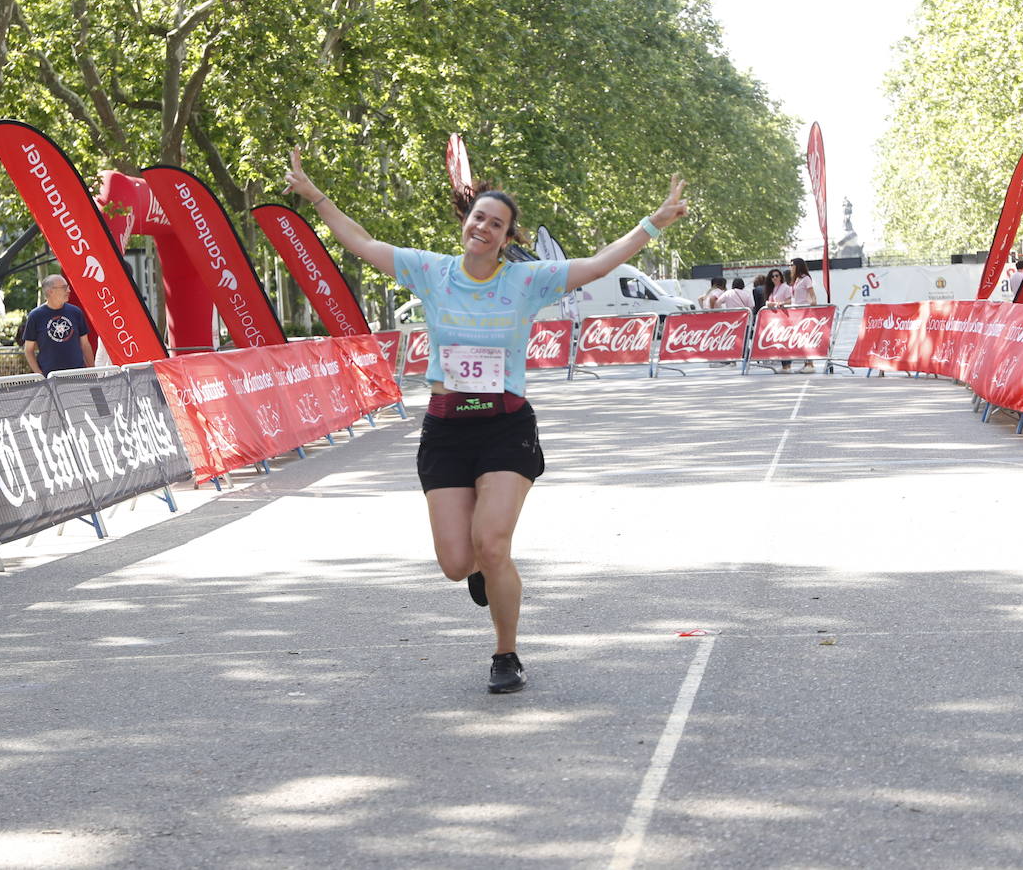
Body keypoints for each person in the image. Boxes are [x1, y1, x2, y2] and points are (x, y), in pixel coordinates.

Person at [283, 148, 689, 693]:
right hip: (447, 430)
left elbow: (596, 265)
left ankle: (506, 654)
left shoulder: (527, 282)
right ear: (466, 220)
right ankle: (477, 570)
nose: (485, 228)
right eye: (480, 217)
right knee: (457, 562)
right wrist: (315, 197)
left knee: (493, 543)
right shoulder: (431, 272)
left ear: (506, 237)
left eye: (497, 224)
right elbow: (361, 240)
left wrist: (652, 224)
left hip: (505, 427)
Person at [23, 274, 94, 375]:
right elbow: (28, 350)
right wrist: (40, 375)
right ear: (50, 291)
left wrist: (93, 371)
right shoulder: (35, 316)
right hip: (51, 378)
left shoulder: (76, 312)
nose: (69, 290)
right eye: (64, 287)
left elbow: (85, 344)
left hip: (78, 375)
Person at [789, 258, 819, 372]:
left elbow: (812, 295)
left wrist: (813, 302)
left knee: (806, 338)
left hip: (804, 312)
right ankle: (806, 363)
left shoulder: (806, 279)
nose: (790, 267)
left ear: (798, 266)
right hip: (796, 313)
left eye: (792, 265)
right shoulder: (796, 279)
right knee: (800, 338)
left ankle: (810, 364)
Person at [763, 268, 793, 372]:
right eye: (772, 276)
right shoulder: (773, 289)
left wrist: (781, 303)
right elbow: (771, 301)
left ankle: (787, 366)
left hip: (785, 317)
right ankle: (785, 365)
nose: (775, 277)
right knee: (780, 342)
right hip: (776, 319)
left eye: (776, 275)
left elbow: (790, 300)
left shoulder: (785, 287)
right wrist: (769, 303)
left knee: (784, 341)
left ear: (780, 277)